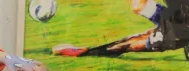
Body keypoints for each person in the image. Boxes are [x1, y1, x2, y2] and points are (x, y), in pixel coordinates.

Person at [53, 0, 189, 58]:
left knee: (125, 46)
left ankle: (85, 52)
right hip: (174, 18)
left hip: (178, 30)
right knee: (137, 5)